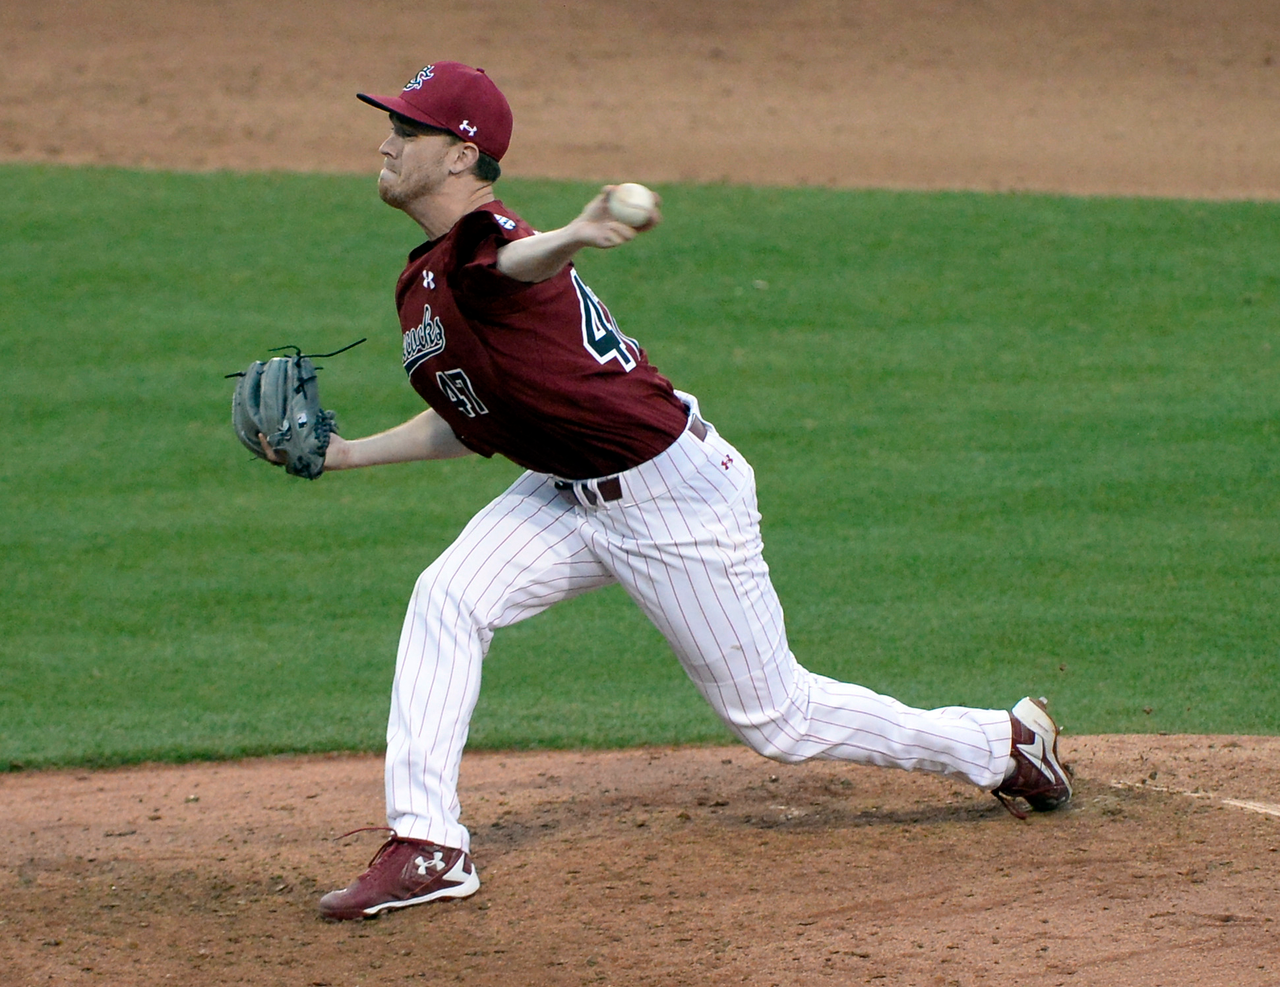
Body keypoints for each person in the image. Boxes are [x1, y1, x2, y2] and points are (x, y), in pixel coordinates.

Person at [300, 62, 1071, 920]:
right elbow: (475, 415)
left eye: (408, 130)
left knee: (779, 719)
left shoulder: (491, 241)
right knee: (448, 596)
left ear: (459, 155)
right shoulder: (427, 278)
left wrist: (574, 233)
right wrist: (345, 455)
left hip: (672, 496)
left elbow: (514, 262)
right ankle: (429, 843)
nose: (387, 143)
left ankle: (1003, 744)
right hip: (566, 483)